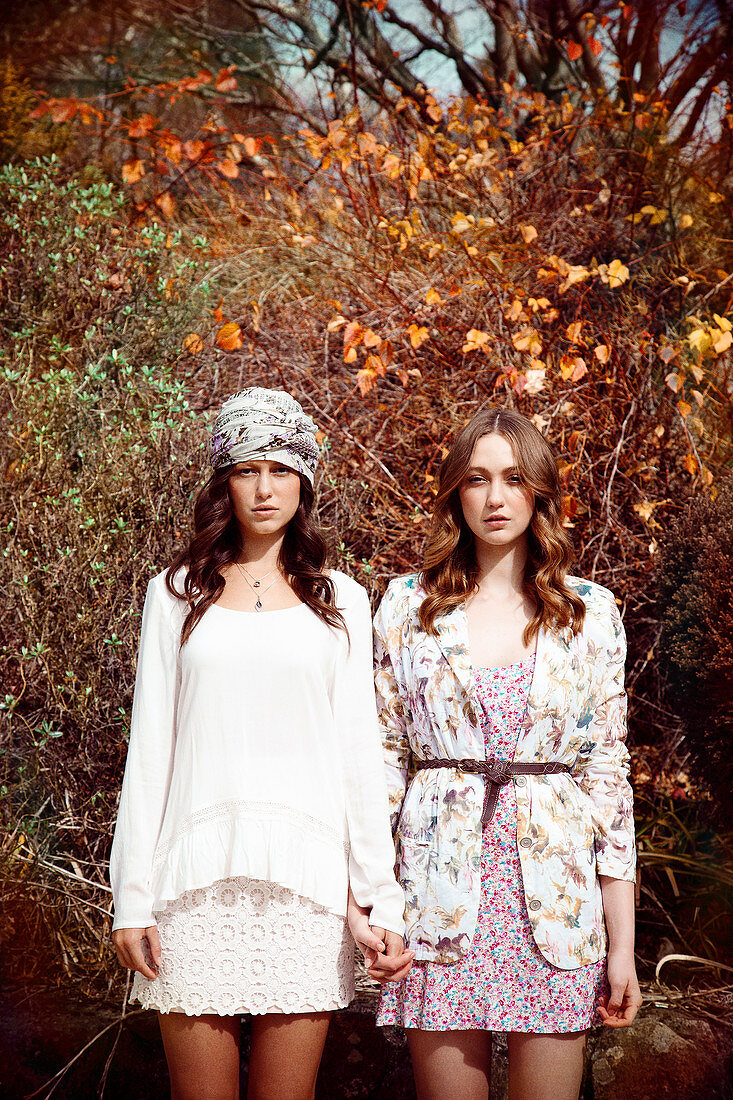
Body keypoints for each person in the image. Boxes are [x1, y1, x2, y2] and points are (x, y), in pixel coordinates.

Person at [109, 387, 411, 1100]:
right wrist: (132, 898)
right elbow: (149, 748)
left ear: (304, 481)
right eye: (247, 470)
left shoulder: (341, 600)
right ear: (224, 483)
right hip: (192, 890)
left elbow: (356, 761)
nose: (264, 487)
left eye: (280, 469)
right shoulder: (175, 592)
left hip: (306, 891)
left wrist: (380, 900)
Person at [374, 407, 641, 1100]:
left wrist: (623, 947)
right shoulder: (406, 607)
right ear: (454, 494)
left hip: (556, 908)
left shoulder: (590, 613)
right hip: (437, 901)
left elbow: (607, 782)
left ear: (540, 493)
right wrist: (374, 905)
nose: (495, 499)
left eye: (513, 479)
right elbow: (380, 763)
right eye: (476, 479)